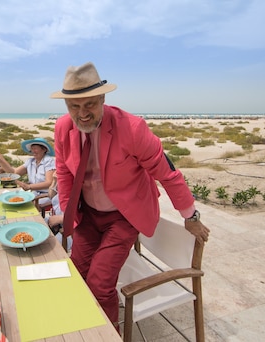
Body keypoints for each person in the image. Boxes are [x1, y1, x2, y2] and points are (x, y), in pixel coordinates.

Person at [51, 62, 210, 330]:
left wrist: (190, 215)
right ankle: (84, 327)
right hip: (88, 214)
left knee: (100, 283)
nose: (82, 114)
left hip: (124, 216)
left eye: (89, 104)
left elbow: (168, 173)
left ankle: (107, 334)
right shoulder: (63, 128)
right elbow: (64, 172)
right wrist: (70, 214)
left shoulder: (132, 128)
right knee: (76, 272)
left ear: (102, 98)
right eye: (74, 106)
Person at [0, 137, 56, 206]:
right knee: (13, 199)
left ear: (44, 149)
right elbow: (14, 173)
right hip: (33, 192)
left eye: (35, 148)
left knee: (26, 205)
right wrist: (0, 160)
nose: (33, 151)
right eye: (32, 149)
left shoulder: (49, 161)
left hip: (46, 194)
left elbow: (49, 183)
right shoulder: (30, 161)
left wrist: (29, 186)